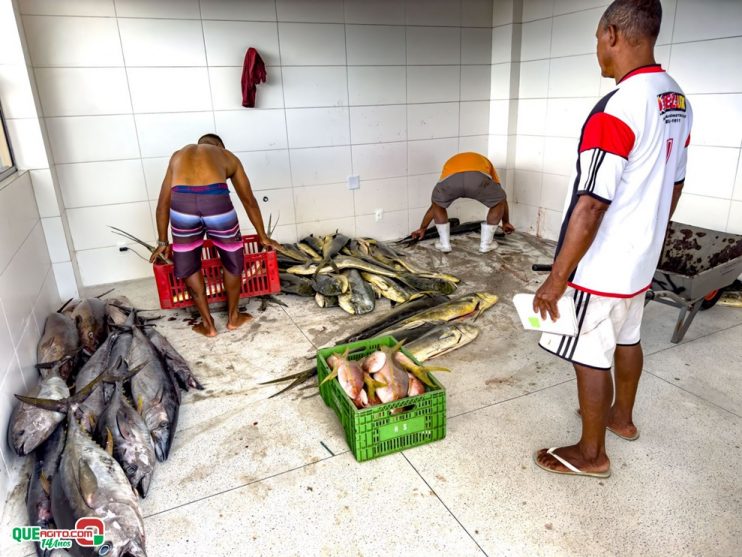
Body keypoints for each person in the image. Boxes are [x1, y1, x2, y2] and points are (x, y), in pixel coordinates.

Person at [531, 0, 692, 478]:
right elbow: (676, 181)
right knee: (628, 336)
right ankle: (621, 419)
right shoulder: (675, 98)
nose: (598, 50)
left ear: (613, 35)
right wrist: (649, 232)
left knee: (588, 353)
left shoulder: (618, 107)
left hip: (602, 264)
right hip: (640, 258)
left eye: (598, 39)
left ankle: (591, 454)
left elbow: (592, 203)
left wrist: (558, 278)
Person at [150, 133, 279, 337]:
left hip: (182, 204)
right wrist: (262, 236)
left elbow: (162, 204)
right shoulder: (227, 156)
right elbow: (249, 200)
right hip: (216, 200)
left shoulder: (178, 155)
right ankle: (233, 318)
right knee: (231, 259)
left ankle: (208, 325)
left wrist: (162, 241)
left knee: (190, 263)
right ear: (220, 146)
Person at [410, 152, 515, 253]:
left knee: (437, 203)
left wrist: (423, 228)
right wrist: (505, 222)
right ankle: (486, 245)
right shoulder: (487, 164)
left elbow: (436, 204)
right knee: (499, 199)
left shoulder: (450, 163)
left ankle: (444, 244)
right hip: (477, 178)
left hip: (452, 179)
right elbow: (500, 199)